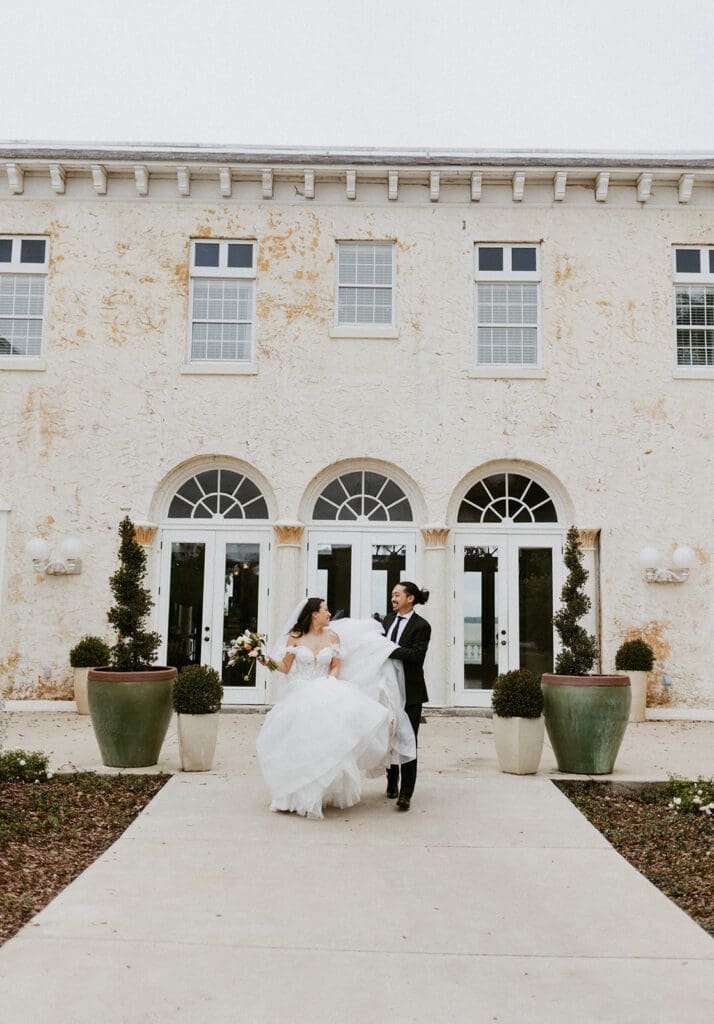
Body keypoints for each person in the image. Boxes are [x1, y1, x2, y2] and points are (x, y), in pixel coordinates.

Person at [255, 597, 416, 820]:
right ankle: (294, 795)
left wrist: (328, 683)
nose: (329, 614)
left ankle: (318, 794)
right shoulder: (295, 637)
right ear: (314, 614)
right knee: (299, 744)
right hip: (299, 694)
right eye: (325, 610)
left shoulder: (333, 637)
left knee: (325, 744)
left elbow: (335, 666)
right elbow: (284, 667)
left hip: (325, 691)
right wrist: (266, 661)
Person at [381, 582, 431, 812]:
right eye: (392, 595)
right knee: (389, 736)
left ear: (410, 598)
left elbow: (416, 656)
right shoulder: (387, 620)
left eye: (397, 594)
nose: (393, 598)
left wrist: (387, 649)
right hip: (387, 690)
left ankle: (406, 794)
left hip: (410, 691)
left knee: (408, 739)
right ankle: (392, 780)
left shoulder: (422, 626)